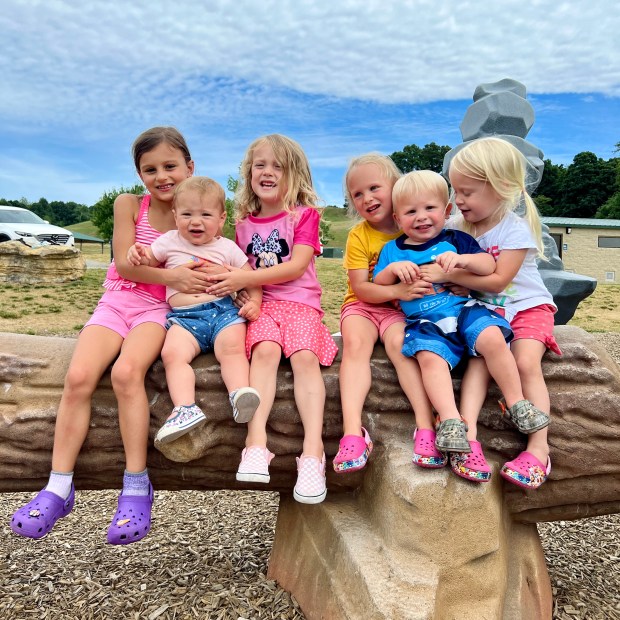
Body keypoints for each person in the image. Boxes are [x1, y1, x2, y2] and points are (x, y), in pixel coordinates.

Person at [10, 126, 214, 544]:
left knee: (126, 375)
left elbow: (212, 258)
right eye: (150, 169)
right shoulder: (129, 205)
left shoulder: (196, 213)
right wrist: (168, 271)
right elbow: (124, 266)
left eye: (171, 166)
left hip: (157, 310)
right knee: (79, 377)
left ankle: (137, 485)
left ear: (189, 166)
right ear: (139, 174)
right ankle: (57, 486)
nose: (162, 177)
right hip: (117, 303)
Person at [373, 170, 550, 461]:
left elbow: (487, 264)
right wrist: (392, 272)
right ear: (397, 218)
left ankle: (517, 402)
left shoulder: (455, 238)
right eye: (410, 211)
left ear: (446, 211)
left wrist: (460, 262)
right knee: (429, 359)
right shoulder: (392, 251)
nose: (421, 217)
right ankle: (451, 419)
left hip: (462, 309)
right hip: (424, 321)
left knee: (492, 337)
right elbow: (379, 283)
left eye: (430, 208)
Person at [205, 134, 338, 504]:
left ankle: (313, 454)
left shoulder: (304, 216)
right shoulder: (243, 223)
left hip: (300, 304)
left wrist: (244, 279)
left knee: (304, 358)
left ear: (294, 174)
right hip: (261, 307)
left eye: (277, 166)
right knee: (264, 351)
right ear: (249, 173)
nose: (267, 172)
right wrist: (243, 294)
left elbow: (296, 266)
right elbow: (237, 268)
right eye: (259, 165)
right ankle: (256, 443)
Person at [424, 136, 559, 489]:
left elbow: (498, 281)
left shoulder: (515, 228)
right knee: (482, 360)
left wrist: (451, 274)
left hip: (526, 308)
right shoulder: (455, 226)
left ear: (501, 188)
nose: (458, 200)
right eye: (455, 190)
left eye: (467, 191)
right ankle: (466, 437)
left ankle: (539, 449)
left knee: (526, 362)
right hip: (487, 313)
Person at [126, 176, 262, 444]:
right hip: (185, 319)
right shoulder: (169, 240)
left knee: (232, 350)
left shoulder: (227, 247)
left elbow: (249, 276)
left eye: (205, 215)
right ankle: (184, 408)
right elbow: (147, 261)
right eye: (187, 214)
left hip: (224, 312)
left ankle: (239, 394)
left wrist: (254, 302)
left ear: (222, 219)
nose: (195, 221)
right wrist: (137, 254)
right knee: (172, 354)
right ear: (175, 216)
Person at [334, 154, 438, 473]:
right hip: (362, 306)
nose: (367, 198)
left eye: (374, 187)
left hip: (398, 311)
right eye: (358, 194)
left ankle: (425, 428)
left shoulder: (413, 224)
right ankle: (352, 433)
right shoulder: (359, 236)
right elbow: (361, 288)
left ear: (395, 184)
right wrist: (396, 291)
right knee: (355, 347)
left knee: (401, 348)